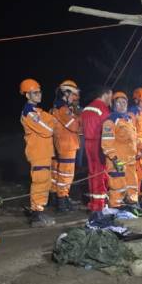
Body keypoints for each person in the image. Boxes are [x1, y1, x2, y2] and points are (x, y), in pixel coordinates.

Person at [20, 79, 57, 227]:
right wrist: (49, 124)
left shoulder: (37, 111)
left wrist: (49, 123)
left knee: (45, 182)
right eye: (35, 92)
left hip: (44, 152)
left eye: (39, 92)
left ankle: (39, 210)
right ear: (27, 95)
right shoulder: (29, 113)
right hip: (38, 153)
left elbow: (53, 121)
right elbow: (49, 130)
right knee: (40, 182)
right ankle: (36, 215)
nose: (39, 95)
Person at [101, 92, 139, 208]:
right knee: (118, 188)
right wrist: (115, 159)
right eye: (119, 103)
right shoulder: (110, 121)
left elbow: (134, 141)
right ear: (113, 105)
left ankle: (132, 207)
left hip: (130, 162)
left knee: (132, 187)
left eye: (124, 102)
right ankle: (115, 209)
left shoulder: (128, 121)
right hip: (118, 162)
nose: (122, 105)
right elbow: (106, 144)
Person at [50, 79, 81, 213]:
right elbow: (74, 126)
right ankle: (62, 200)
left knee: (59, 173)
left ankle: (59, 198)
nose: (74, 97)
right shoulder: (63, 109)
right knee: (66, 174)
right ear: (66, 93)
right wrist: (79, 117)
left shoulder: (59, 107)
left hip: (63, 144)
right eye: (73, 94)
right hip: (67, 145)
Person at [81, 87, 113, 217]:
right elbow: (108, 129)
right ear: (105, 95)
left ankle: (93, 203)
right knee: (100, 174)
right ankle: (99, 206)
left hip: (87, 144)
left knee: (92, 173)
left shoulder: (87, 108)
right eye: (110, 96)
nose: (111, 99)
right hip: (98, 144)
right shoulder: (103, 109)